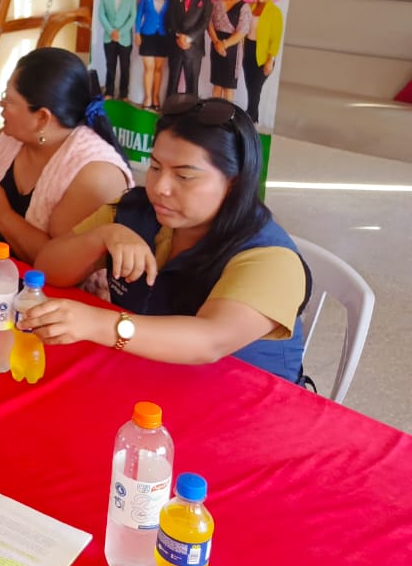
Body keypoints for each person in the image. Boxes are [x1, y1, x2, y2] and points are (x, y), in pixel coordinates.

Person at [25, 95, 309, 384]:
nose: (160, 187)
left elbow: (209, 341)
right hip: (155, 377)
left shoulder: (272, 259)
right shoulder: (135, 212)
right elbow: (48, 267)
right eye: (155, 167)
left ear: (233, 182)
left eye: (184, 176)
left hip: (247, 397)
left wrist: (97, 324)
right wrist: (103, 236)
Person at [0, 48, 132, 264]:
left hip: (39, 282)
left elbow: (58, 263)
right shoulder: (10, 139)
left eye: (9, 99)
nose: (1, 105)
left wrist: (2, 213)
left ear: (43, 117)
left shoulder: (94, 173)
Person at [165, 0, 212, 98]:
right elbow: (170, 18)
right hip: (176, 44)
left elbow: (204, 22)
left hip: (194, 47)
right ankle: (169, 109)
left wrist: (189, 38)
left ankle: (191, 110)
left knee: (192, 85)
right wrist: (179, 36)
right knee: (172, 82)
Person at [243, 0, 283, 123]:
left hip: (264, 56)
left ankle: (249, 120)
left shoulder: (275, 12)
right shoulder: (249, 7)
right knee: (251, 89)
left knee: (255, 88)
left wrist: (270, 60)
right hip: (248, 52)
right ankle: (254, 121)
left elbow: (276, 39)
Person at [206, 0, 251, 102]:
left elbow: (242, 32)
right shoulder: (216, 3)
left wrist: (224, 44)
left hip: (233, 50)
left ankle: (227, 114)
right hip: (216, 45)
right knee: (217, 85)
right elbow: (209, 24)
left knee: (228, 88)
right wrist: (216, 42)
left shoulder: (244, 7)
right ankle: (213, 112)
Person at [135, 0, 173, 111]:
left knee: (158, 69)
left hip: (164, 36)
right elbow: (139, 14)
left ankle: (156, 97)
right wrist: (137, 33)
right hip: (147, 35)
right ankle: (147, 98)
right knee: (148, 68)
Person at [97, 0, 136, 100]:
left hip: (125, 38)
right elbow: (101, 14)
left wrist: (120, 32)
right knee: (110, 66)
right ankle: (109, 92)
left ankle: (124, 94)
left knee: (125, 67)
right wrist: (111, 31)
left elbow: (132, 16)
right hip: (109, 37)